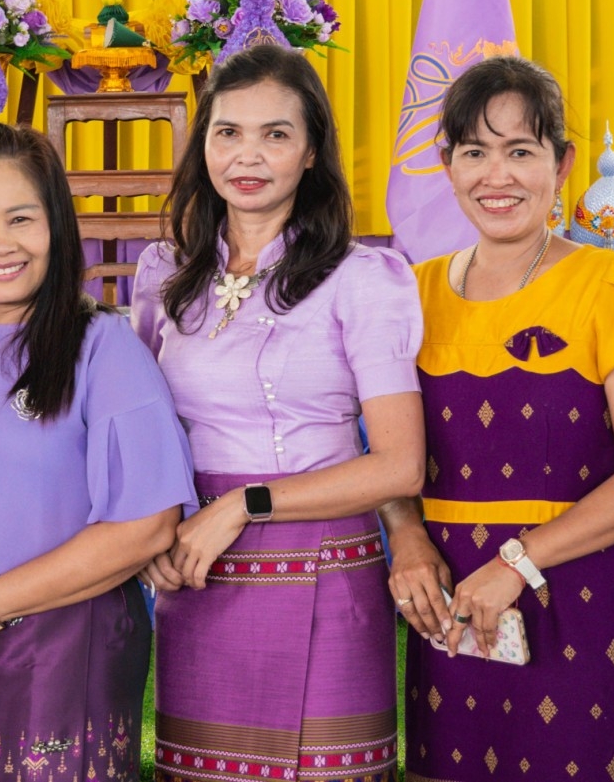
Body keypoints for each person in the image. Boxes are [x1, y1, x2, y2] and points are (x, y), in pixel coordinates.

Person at [379, 55, 614, 782]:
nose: (498, 176)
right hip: (449, 611)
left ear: (563, 163)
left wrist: (516, 563)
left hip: (582, 605)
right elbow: (378, 448)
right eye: (475, 153)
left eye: (521, 151)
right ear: (446, 164)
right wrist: (406, 532)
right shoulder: (409, 293)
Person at [132, 42, 424, 782]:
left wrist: (243, 504)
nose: (248, 155)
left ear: (312, 150)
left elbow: (399, 465)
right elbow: (143, 433)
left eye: (276, 134)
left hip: (323, 568)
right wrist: (154, 531)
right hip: (197, 570)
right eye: (228, 131)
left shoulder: (364, 277)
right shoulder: (163, 271)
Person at [0, 121, 195, 782]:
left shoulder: (102, 346)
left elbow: (147, 524)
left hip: (57, 642)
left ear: (56, 225)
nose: (1, 243)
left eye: (21, 218)